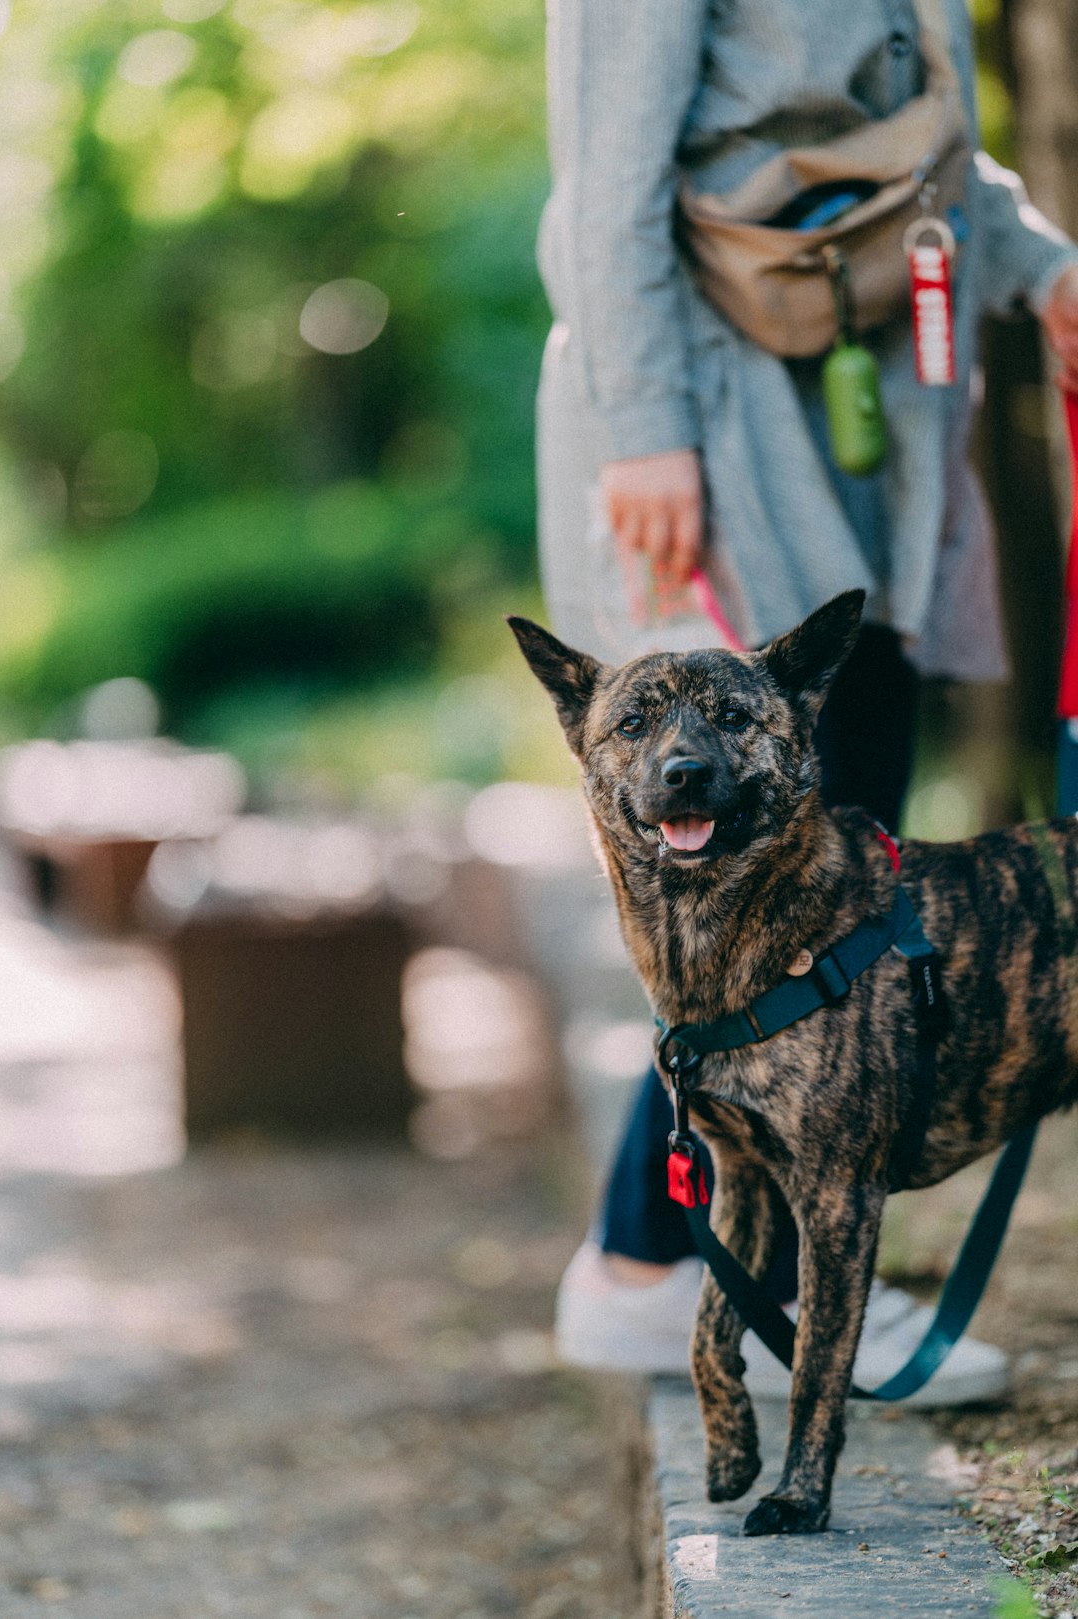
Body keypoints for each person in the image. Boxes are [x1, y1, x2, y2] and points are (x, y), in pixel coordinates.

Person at [535, 0, 1078, 1401]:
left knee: (841, 836)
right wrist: (644, 423)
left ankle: (689, 1268)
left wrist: (1037, 268)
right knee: (761, 875)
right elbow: (608, 172)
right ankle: (695, 1276)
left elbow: (910, 142)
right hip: (709, 427)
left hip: (878, 414)